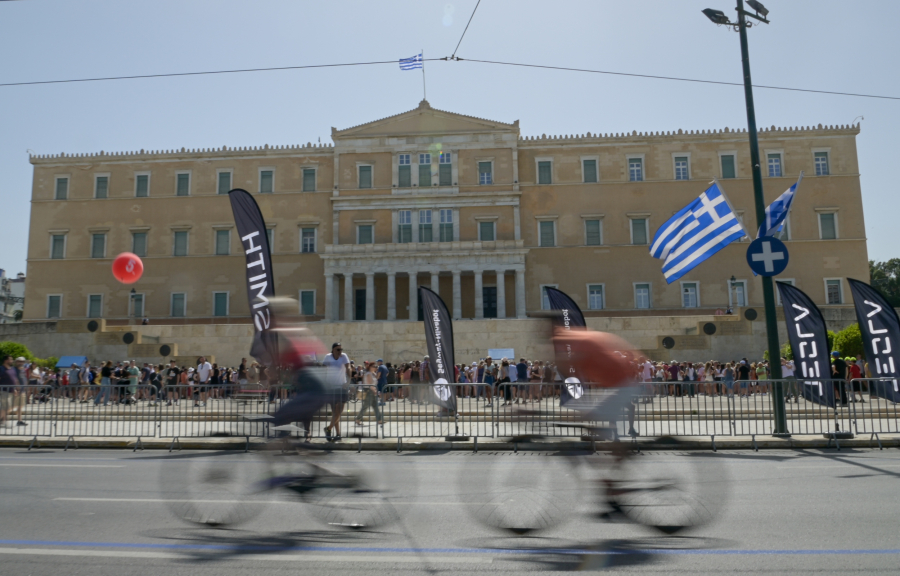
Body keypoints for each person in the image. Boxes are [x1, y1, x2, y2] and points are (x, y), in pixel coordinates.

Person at [322, 342, 351, 441]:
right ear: (333, 350)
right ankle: (338, 434)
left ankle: (328, 429)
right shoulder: (327, 357)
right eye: (338, 349)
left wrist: (349, 380)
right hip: (331, 387)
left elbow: (348, 367)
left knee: (339, 411)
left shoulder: (344, 356)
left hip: (342, 387)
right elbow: (323, 370)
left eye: (341, 349)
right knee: (335, 412)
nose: (340, 351)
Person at [355, 361, 383, 427]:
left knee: (375, 406)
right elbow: (369, 384)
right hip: (369, 391)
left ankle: (379, 420)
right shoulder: (368, 374)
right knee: (365, 406)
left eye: (376, 366)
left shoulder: (372, 373)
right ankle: (358, 419)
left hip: (372, 391)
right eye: (374, 366)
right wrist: (374, 390)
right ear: (370, 367)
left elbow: (375, 380)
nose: (376, 367)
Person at [0, 355, 18, 427]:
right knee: (6, 407)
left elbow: (14, 379)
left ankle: (3, 421)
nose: (12, 361)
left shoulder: (12, 369)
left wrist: (15, 389)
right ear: (6, 360)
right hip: (3, 391)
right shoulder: (1, 369)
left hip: (11, 391)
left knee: (8, 407)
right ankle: (4, 421)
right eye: (10, 359)